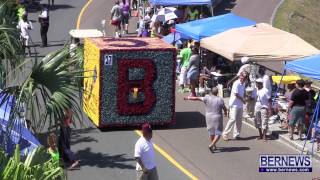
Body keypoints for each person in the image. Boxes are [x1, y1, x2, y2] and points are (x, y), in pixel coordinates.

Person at [184, 87, 227, 152]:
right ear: (217, 92)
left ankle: (214, 145)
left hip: (208, 117)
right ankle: (212, 144)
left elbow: (197, 98)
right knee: (218, 132)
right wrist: (226, 113)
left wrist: (188, 98)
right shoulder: (220, 100)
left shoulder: (207, 98)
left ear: (211, 92)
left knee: (211, 132)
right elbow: (224, 108)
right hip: (217, 117)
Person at [222, 72, 247, 141]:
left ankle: (236, 135)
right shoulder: (236, 83)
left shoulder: (244, 83)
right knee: (232, 119)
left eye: (244, 77)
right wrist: (243, 100)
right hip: (234, 104)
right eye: (242, 77)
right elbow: (236, 94)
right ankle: (225, 134)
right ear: (240, 76)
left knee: (239, 120)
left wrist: (245, 96)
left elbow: (243, 91)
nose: (242, 78)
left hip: (240, 105)